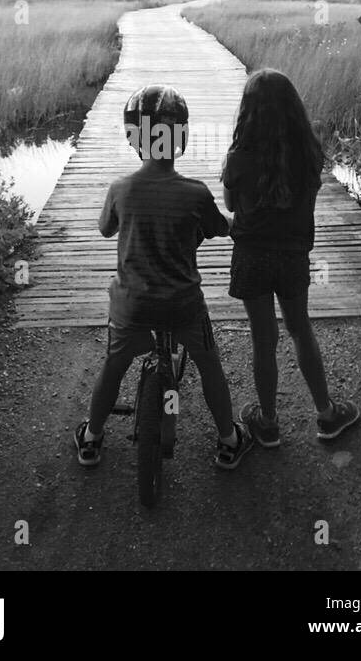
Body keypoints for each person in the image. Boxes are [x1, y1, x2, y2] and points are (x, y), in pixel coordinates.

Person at [74, 84, 252, 470]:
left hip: (131, 307)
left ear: (134, 139)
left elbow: (106, 229)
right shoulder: (196, 193)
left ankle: (91, 438)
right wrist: (236, 224)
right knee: (209, 365)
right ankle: (228, 439)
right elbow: (220, 227)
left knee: (113, 365)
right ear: (181, 139)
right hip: (183, 307)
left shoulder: (121, 190)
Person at [221, 68, 360, 446]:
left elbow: (232, 206)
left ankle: (267, 423)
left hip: (251, 256)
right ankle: (327, 415)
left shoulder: (238, 157)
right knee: (300, 329)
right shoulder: (310, 154)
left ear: (248, 111)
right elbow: (305, 204)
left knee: (263, 339)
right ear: (293, 107)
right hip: (293, 255)